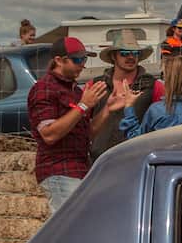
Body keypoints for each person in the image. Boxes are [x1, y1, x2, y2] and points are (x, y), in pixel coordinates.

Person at [27, 37, 131, 212]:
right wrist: (83, 106)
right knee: (69, 229)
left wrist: (106, 110)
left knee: (79, 226)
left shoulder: (75, 91)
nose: (83, 64)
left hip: (79, 169)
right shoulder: (44, 89)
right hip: (59, 169)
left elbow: (87, 133)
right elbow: (49, 134)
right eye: (77, 59)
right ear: (59, 60)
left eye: (85, 59)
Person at [90, 30, 162, 163]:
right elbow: (84, 127)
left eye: (135, 53)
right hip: (99, 161)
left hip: (137, 161)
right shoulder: (96, 85)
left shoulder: (153, 86)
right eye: (124, 53)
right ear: (113, 56)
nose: (130, 57)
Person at [119, 53, 182, 139]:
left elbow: (135, 139)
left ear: (169, 80)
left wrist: (129, 107)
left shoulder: (157, 110)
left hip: (164, 162)